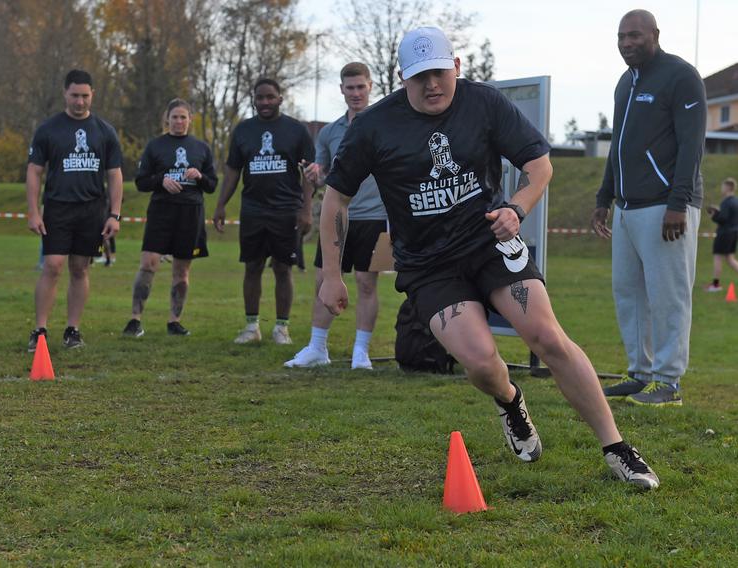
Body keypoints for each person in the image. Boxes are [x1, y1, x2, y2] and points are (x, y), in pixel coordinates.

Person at [319, 26, 659, 489]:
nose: (432, 84)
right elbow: (335, 199)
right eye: (420, 77)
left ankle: (617, 448)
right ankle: (510, 402)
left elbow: (540, 167)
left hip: (490, 243)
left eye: (440, 72)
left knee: (547, 336)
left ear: (456, 67)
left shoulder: (484, 104)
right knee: (480, 363)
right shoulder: (374, 127)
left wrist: (516, 208)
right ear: (402, 79)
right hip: (428, 265)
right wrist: (332, 276)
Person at [592, 10, 706, 407]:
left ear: (655, 35)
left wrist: (679, 202)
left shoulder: (680, 76)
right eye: (621, 36)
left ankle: (669, 382)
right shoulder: (625, 83)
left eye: (635, 36)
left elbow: (692, 145)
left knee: (668, 296)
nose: (627, 43)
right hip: (626, 207)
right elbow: (618, 149)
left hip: (666, 207)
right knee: (629, 293)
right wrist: (604, 198)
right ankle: (640, 374)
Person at [285, 62, 388, 370]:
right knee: (323, 280)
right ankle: (317, 348)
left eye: (361, 87)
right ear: (341, 89)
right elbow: (322, 177)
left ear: (370, 87)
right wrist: (314, 176)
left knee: (366, 283)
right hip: (337, 219)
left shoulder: (385, 125)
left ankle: (361, 353)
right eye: (350, 87)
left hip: (375, 216)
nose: (355, 93)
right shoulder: (329, 133)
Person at [26, 69, 123, 351]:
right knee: (53, 266)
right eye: (74, 96)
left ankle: (73, 329)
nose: (79, 102)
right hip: (58, 208)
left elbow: (114, 174)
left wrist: (114, 214)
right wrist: (33, 211)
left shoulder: (105, 131)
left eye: (84, 96)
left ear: (92, 94)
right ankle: (40, 329)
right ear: (65, 94)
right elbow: (34, 171)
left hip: (92, 209)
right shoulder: (48, 129)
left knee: (80, 268)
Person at [212, 78, 315, 344]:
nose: (265, 102)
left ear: (280, 98)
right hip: (254, 210)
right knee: (252, 266)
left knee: (283, 268)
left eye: (270, 97)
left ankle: (281, 327)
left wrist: (306, 209)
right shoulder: (244, 130)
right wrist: (221, 203)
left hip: (286, 210)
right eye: (260, 98)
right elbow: (233, 169)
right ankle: (251, 327)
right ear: (254, 99)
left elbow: (308, 173)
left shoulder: (296, 130)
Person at [124, 99, 217, 338]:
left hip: (190, 214)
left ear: (190, 119)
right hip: (161, 212)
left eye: (183, 117)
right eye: (174, 117)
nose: (178, 121)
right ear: (167, 119)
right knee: (148, 264)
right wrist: (161, 180)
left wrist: (199, 177)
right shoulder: (155, 146)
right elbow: (141, 181)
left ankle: (174, 321)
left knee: (182, 271)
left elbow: (212, 185)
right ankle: (135, 320)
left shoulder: (202, 148)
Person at [704, 178, 738, 291]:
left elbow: (723, 219)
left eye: (723, 186)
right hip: (733, 233)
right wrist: (719, 212)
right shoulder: (736, 201)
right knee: (730, 259)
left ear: (728, 187)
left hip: (724, 233)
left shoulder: (726, 201)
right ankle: (715, 284)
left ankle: (715, 285)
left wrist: (713, 215)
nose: (721, 189)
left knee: (718, 257)